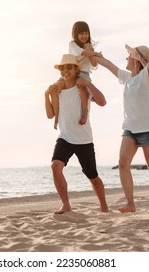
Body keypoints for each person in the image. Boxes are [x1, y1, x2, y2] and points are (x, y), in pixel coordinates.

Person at [94, 40, 149, 216]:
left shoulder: (146, 77)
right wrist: (92, 55)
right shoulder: (127, 78)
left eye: (130, 55)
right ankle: (130, 203)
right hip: (130, 129)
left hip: (148, 129)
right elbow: (109, 65)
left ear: (136, 59)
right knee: (123, 163)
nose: (126, 57)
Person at [45, 53, 109, 214]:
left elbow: (102, 102)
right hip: (65, 137)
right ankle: (66, 205)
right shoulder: (57, 90)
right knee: (55, 166)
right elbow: (50, 115)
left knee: (92, 176)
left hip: (84, 139)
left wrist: (88, 83)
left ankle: (104, 207)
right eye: (62, 68)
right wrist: (46, 95)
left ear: (75, 69)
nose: (65, 71)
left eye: (69, 67)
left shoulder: (83, 87)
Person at [50, 21, 103, 129]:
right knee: (56, 88)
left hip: (83, 73)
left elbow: (94, 64)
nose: (84, 36)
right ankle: (56, 116)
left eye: (86, 33)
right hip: (71, 71)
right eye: (81, 33)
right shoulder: (73, 44)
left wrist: (91, 50)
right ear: (75, 34)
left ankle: (84, 111)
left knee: (81, 87)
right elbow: (81, 53)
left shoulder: (89, 47)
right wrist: (95, 53)